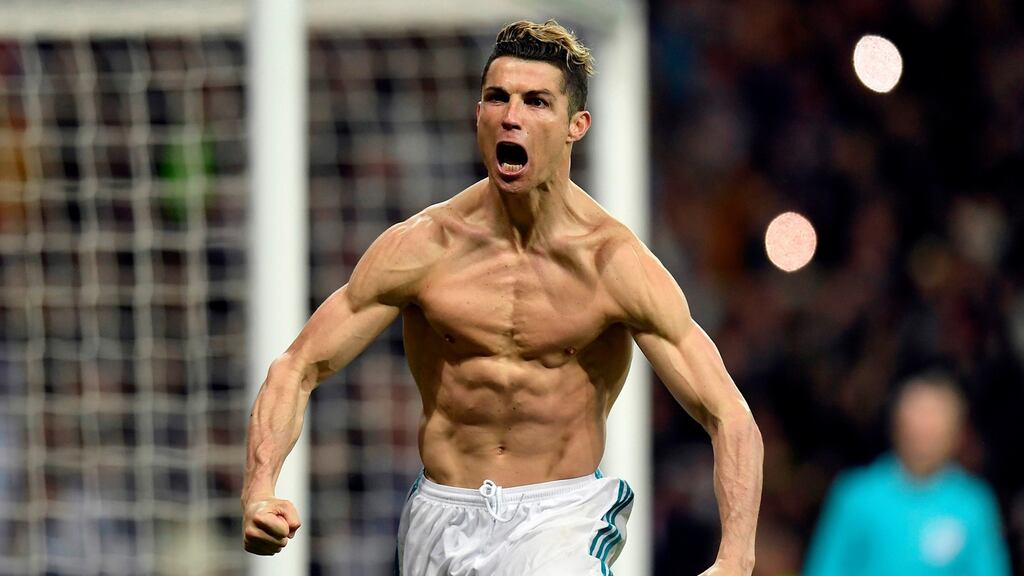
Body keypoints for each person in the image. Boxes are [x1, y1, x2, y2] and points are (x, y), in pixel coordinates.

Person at [241, 19, 763, 575]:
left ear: (575, 125)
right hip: (441, 515)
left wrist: (736, 557)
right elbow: (298, 365)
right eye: (497, 97)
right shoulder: (423, 247)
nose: (511, 115)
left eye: (536, 101)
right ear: (478, 115)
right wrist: (259, 489)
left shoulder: (614, 265)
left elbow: (728, 413)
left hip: (560, 519)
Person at [804, 372, 1011, 576]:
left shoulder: (974, 503)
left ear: (957, 432)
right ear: (896, 422)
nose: (925, 428)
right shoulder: (856, 494)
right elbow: (826, 568)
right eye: (918, 414)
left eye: (936, 417)